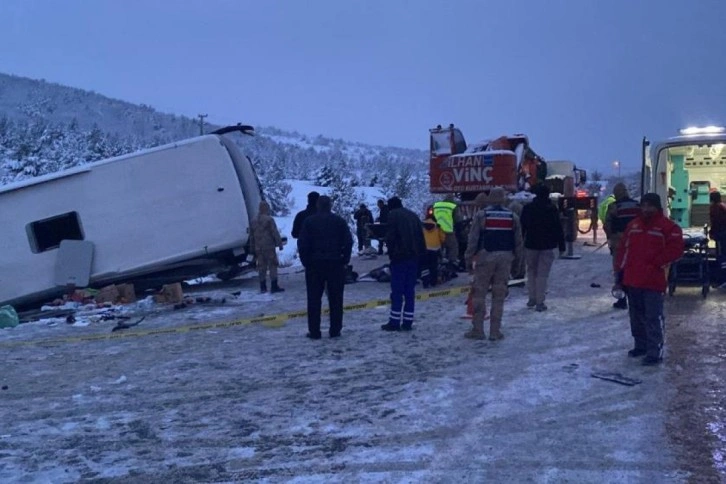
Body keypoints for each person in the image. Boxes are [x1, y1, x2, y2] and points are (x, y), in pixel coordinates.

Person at [614, 193, 684, 366]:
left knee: (653, 317)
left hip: (653, 281)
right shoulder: (633, 226)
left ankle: (655, 350)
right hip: (632, 279)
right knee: (636, 317)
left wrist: (657, 262)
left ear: (657, 207)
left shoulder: (668, 228)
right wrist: (619, 273)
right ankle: (641, 345)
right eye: (643, 205)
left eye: (649, 206)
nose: (646, 209)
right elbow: (623, 251)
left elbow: (676, 250)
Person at [464, 187, 523, 340]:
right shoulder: (512, 217)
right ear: (503, 198)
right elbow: (518, 244)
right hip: (505, 260)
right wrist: (518, 265)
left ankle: (478, 329)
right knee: (499, 296)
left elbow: (473, 240)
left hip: (485, 258)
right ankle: (495, 332)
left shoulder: (482, 215)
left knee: (479, 294)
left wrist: (468, 259)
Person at [297, 196, 353, 339]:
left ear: (317, 206)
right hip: (335, 264)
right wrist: (344, 260)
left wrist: (306, 262)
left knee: (314, 299)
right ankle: (335, 330)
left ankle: (314, 331)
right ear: (330, 205)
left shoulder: (309, 222)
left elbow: (302, 244)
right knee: (336, 299)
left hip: (314, 265)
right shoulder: (339, 221)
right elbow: (348, 242)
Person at [381, 197, 426, 331]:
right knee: (409, 291)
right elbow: (421, 236)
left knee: (397, 291)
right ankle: (408, 321)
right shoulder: (413, 215)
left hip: (399, 258)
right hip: (413, 258)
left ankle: (394, 322)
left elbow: (391, 237)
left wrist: (391, 253)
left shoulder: (393, 216)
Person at [519, 184, 565, 311]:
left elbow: (522, 227)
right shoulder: (552, 209)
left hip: (531, 244)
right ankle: (540, 302)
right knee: (542, 275)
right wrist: (562, 246)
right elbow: (558, 228)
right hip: (547, 245)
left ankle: (532, 298)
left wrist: (520, 243)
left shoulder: (528, 208)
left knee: (531, 272)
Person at [603, 183, 640, 309]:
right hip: (636, 244)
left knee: (620, 271)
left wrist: (611, 238)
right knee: (635, 271)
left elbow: (607, 226)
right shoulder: (637, 205)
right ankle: (636, 298)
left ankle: (622, 299)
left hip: (619, 244)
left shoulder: (614, 207)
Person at [249, 201, 285, 293]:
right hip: (269, 247)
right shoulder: (269, 220)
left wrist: (252, 248)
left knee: (261, 267)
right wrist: (279, 244)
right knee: (272, 265)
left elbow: (251, 236)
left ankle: (263, 286)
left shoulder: (253, 221)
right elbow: (274, 233)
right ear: (266, 208)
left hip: (258, 248)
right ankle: (274, 286)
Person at [433, 195, 460, 265]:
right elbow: (458, 219)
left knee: (439, 247)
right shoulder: (453, 206)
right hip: (448, 230)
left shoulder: (436, 205)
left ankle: (439, 261)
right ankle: (452, 263)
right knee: (453, 247)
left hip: (436, 230)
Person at [421, 211, 446, 288]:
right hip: (435, 249)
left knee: (424, 266)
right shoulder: (437, 227)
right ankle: (433, 282)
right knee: (433, 266)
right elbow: (442, 238)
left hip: (425, 249)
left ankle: (425, 282)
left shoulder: (423, 227)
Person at [709, 191, 726, 286]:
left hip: (721, 235)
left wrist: (712, 233)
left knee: (721, 256)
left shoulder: (715, 208)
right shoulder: (723, 206)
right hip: (724, 234)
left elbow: (716, 222)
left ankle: (722, 280)